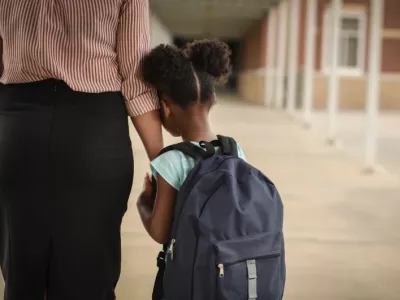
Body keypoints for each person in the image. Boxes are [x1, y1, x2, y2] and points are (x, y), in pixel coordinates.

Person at [0, 0, 163, 299]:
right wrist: (163, 164)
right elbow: (135, 79)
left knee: (23, 274)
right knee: (89, 272)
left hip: (18, 130)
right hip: (94, 132)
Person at [136, 39, 246, 245]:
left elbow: (160, 233)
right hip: (233, 266)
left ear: (165, 107)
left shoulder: (171, 161)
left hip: (189, 273)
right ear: (212, 99)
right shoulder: (234, 149)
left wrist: (143, 201)